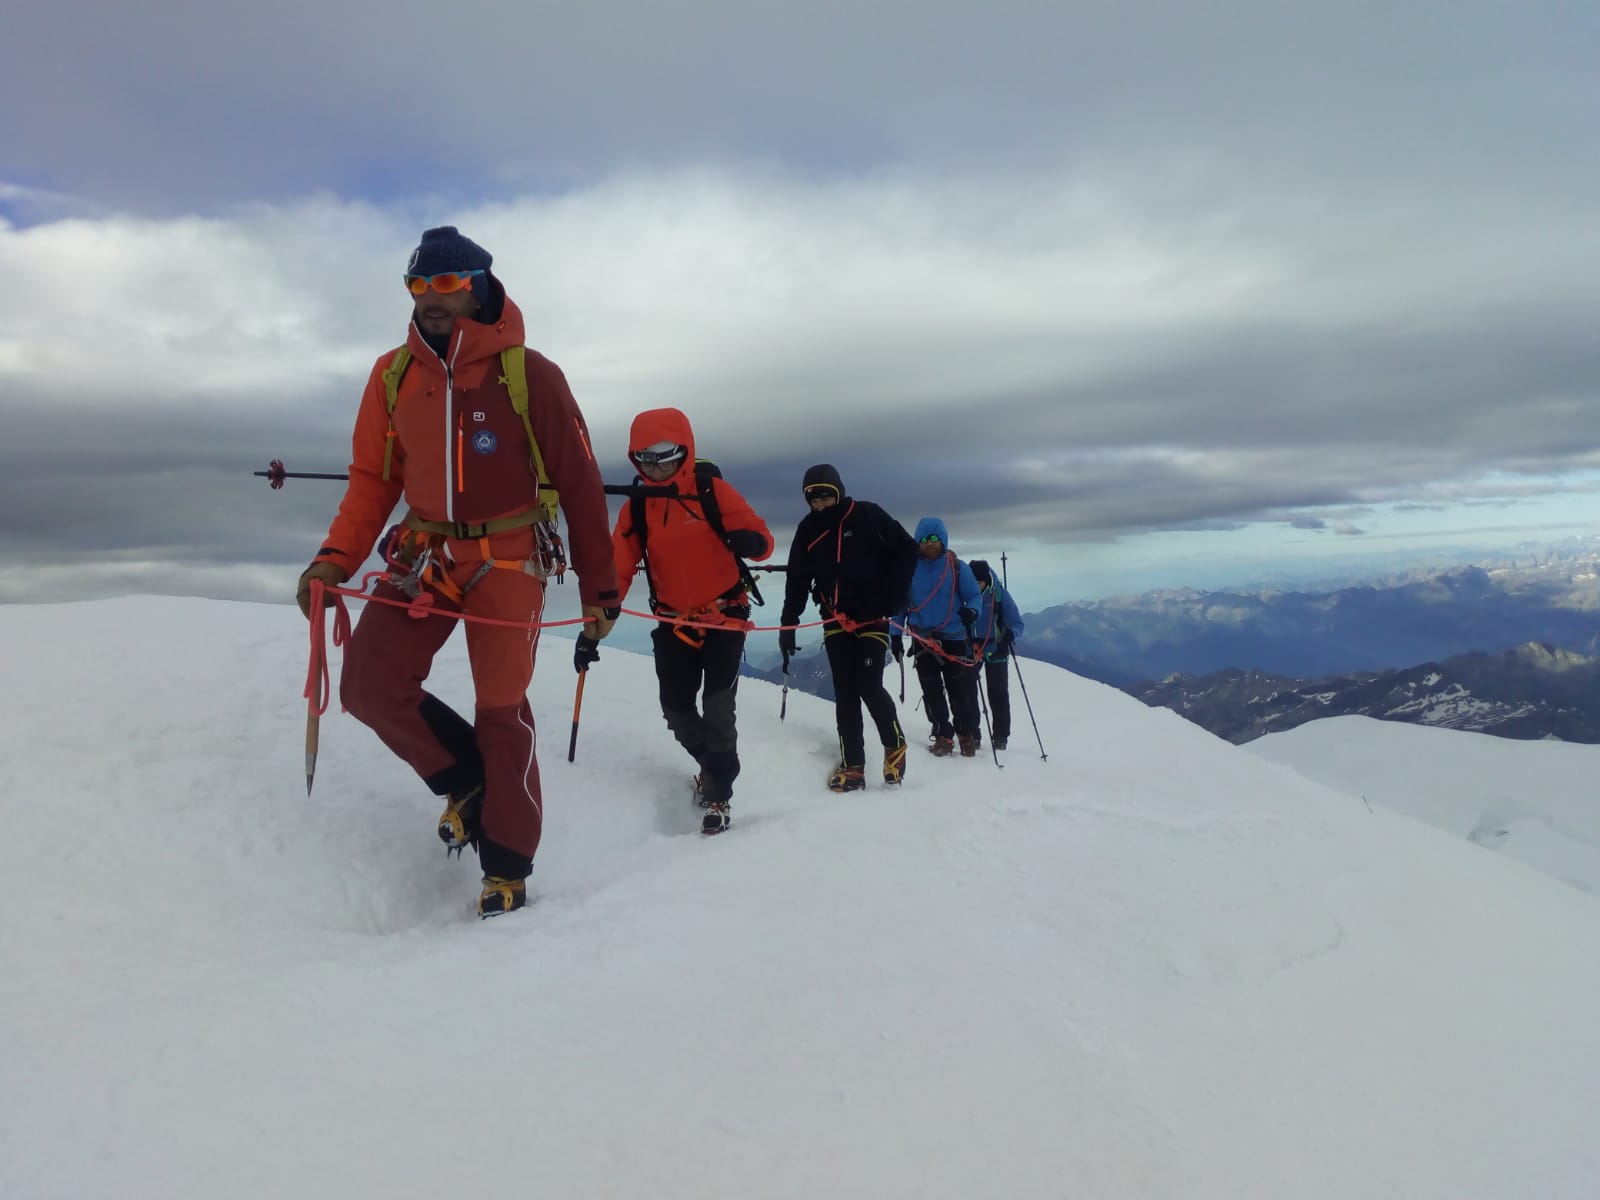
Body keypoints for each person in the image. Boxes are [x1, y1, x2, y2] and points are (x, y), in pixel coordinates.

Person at [295, 226, 620, 918]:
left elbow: (582, 483)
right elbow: (370, 482)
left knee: (501, 711)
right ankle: (468, 783)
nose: (429, 299)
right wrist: (334, 560)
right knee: (368, 683)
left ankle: (507, 865)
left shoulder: (529, 374)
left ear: (476, 283)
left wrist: (602, 589)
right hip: (426, 555)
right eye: (417, 286)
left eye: (444, 284)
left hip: (509, 555)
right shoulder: (393, 376)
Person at [610, 408, 773, 834]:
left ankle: (718, 793)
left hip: (725, 615)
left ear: (685, 450)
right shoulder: (638, 507)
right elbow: (618, 565)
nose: (656, 467)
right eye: (645, 459)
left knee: (718, 709)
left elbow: (763, 539)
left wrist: (751, 541)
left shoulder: (712, 492)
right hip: (672, 621)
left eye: (664, 456)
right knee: (676, 709)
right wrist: (601, 610)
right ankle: (715, 765)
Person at [779, 464, 919, 791]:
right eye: (813, 500)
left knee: (868, 686)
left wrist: (892, 599)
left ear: (839, 492)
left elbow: (907, 550)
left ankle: (894, 744)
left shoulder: (867, 515)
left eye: (826, 497)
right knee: (844, 692)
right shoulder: (808, 530)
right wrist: (789, 626)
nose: (820, 505)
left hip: (873, 618)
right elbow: (797, 581)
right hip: (834, 618)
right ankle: (853, 765)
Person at [894, 517, 984, 757]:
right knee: (931, 691)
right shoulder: (910, 568)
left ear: (942, 539)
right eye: (924, 539)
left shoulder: (957, 567)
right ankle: (943, 734)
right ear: (917, 542)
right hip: (922, 640)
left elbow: (974, 596)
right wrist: (894, 636)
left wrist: (972, 611)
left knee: (960, 692)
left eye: (934, 538)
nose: (929, 543)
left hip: (954, 639)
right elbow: (900, 606)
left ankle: (965, 734)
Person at [968, 559, 1025, 751]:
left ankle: (1000, 736)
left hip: (996, 647)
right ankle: (971, 733)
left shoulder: (999, 595)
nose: (976, 587)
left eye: (979, 583)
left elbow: (1018, 623)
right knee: (967, 691)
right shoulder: (963, 594)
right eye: (972, 583)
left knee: (997, 692)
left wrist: (1010, 633)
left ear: (986, 581)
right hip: (971, 647)